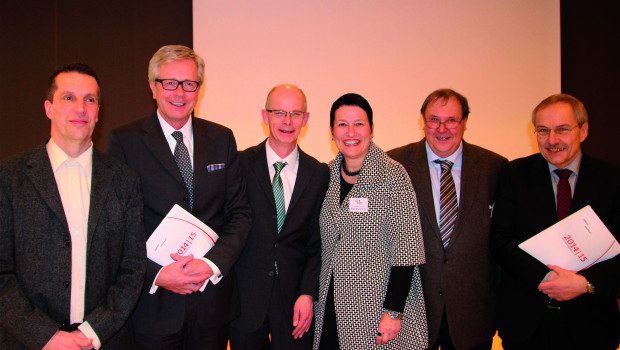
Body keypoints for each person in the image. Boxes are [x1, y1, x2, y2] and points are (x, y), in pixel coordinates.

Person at [107, 45, 251, 350]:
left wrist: (212, 264)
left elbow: (240, 214)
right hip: (153, 308)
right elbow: (117, 227)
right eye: (169, 83)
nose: (179, 93)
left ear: (199, 89)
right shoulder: (124, 142)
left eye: (189, 84)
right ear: (153, 87)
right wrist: (158, 274)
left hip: (212, 305)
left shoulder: (222, 138)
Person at [0, 63, 146, 349]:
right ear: (48, 108)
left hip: (104, 340)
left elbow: (133, 269)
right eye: (69, 98)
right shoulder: (9, 177)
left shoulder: (124, 180)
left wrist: (92, 332)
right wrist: (45, 335)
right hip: (29, 342)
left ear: (98, 111)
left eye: (90, 100)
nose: (81, 108)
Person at [490, 94, 620, 349]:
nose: (552, 140)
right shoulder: (513, 174)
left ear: (583, 131)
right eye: (543, 130)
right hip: (527, 324)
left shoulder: (613, 180)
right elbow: (500, 241)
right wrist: (547, 278)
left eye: (562, 130)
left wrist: (585, 284)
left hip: (592, 324)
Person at [388, 89, 507, 350]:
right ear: (423, 121)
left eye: (451, 120)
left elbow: (502, 243)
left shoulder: (494, 168)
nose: (442, 129)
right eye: (434, 120)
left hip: (473, 314)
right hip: (413, 314)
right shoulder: (394, 164)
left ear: (465, 122)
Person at [314, 93, 428, 349]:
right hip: (331, 307)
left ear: (372, 129)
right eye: (342, 124)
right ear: (332, 131)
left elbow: (407, 249)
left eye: (359, 123)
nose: (350, 131)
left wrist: (394, 312)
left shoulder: (393, 175)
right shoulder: (327, 175)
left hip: (377, 310)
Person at [230, 84, 329, 349]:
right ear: (265, 116)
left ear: (306, 119)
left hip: (295, 301)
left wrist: (308, 292)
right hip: (244, 298)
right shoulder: (239, 164)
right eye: (279, 113)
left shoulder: (319, 173)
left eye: (296, 114)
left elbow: (317, 242)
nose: (287, 121)